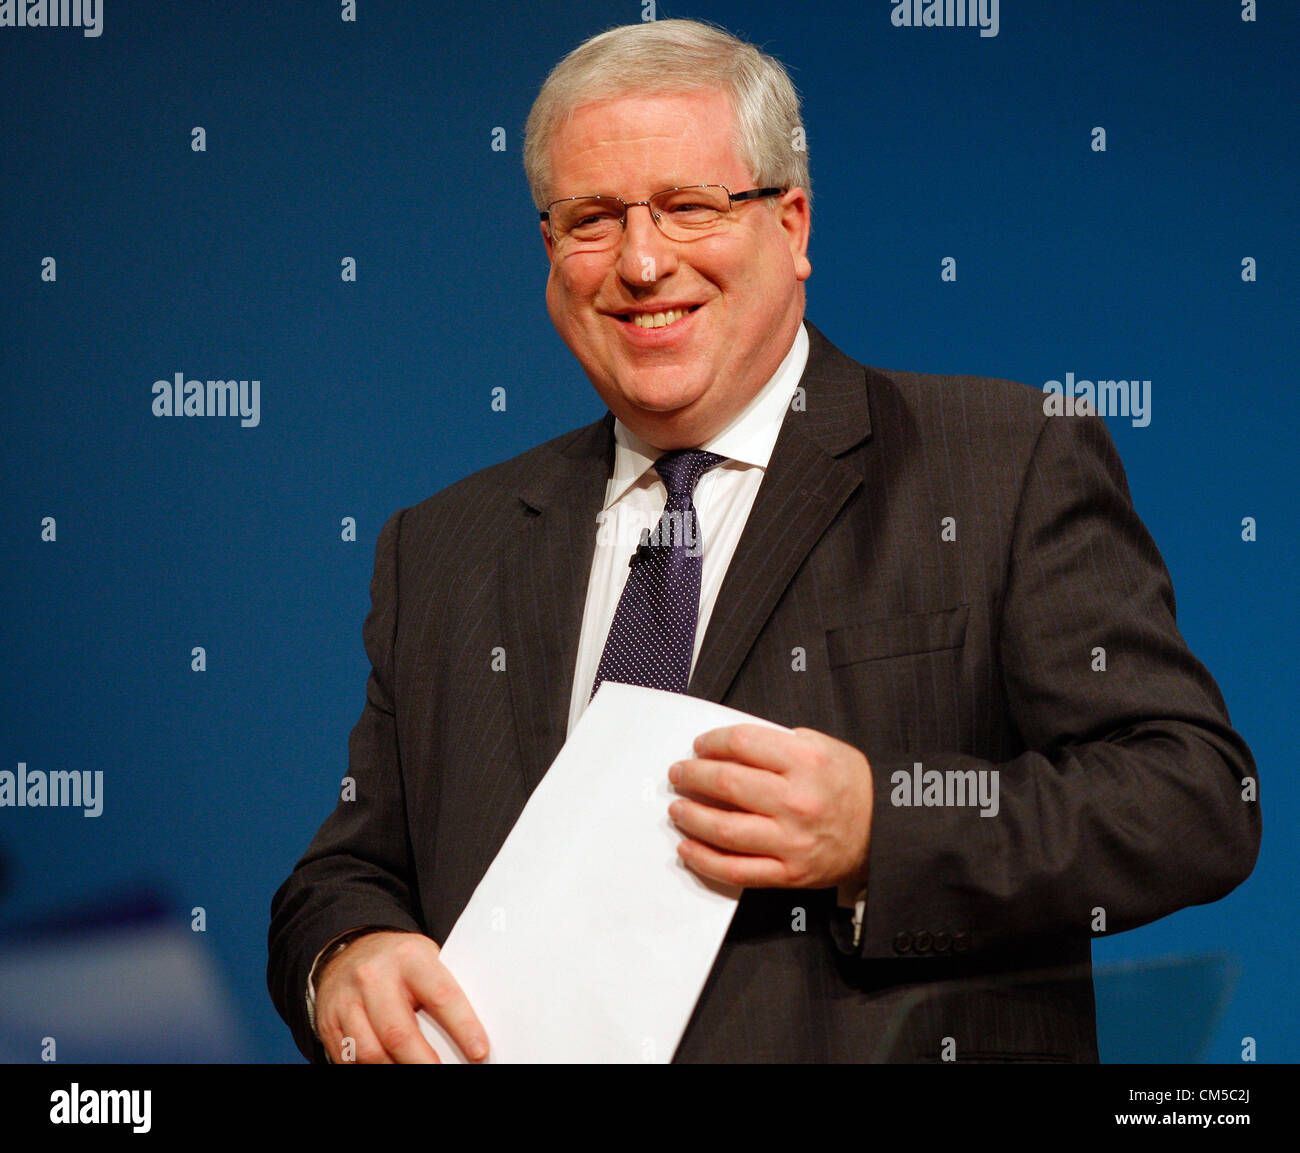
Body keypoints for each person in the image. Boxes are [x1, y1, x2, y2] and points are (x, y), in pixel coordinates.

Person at [267, 18, 1259, 1064]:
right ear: (550, 254)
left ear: (791, 225)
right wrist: (345, 953)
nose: (643, 262)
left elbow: (1190, 796)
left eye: (689, 207)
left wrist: (883, 827)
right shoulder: (445, 546)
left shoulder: (1001, 460)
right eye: (592, 219)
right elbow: (347, 870)